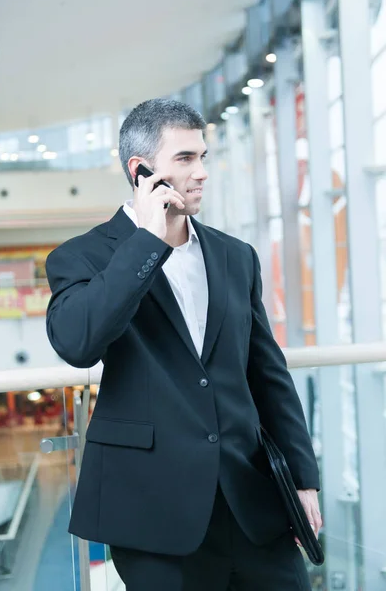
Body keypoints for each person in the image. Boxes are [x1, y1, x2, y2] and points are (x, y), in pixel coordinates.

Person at [45, 98, 322, 590]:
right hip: (154, 515)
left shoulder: (236, 256)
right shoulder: (83, 257)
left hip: (252, 503)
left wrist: (303, 479)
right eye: (185, 159)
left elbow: (268, 374)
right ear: (141, 171)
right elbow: (77, 342)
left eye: (203, 157)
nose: (202, 173)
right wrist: (149, 242)